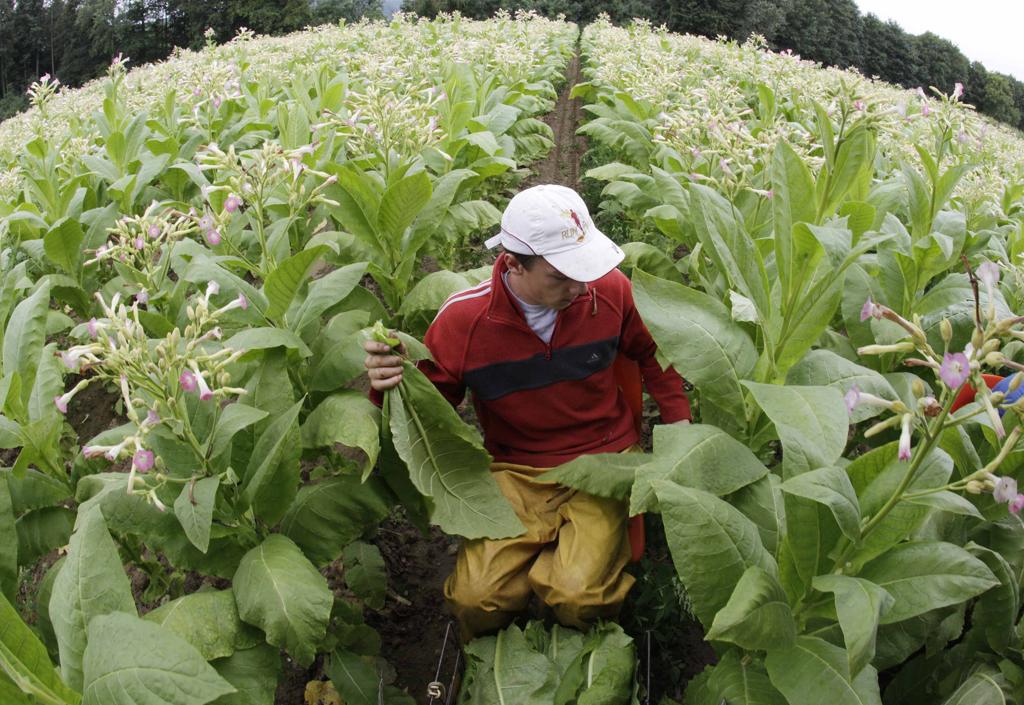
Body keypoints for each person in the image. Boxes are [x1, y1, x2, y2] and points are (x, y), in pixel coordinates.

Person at [364, 184, 691, 640]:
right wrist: (390, 384)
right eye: (561, 276)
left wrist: (680, 431)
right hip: (516, 470)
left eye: (584, 268)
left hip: (606, 460)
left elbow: (655, 355)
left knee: (577, 596)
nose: (580, 287)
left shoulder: (610, 290)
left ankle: (579, 625)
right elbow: (426, 408)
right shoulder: (464, 322)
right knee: (475, 599)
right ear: (514, 263)